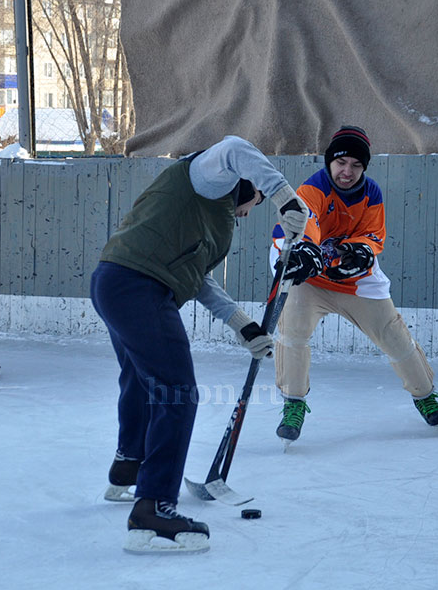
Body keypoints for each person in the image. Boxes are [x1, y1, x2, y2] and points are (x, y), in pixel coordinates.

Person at [90, 135, 308, 554]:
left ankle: (128, 467)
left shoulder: (207, 213)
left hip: (114, 282)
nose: (249, 211)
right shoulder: (210, 180)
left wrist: (242, 325)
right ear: (248, 184)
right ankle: (152, 511)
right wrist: (286, 197)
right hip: (140, 288)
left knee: (140, 378)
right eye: (257, 200)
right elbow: (233, 146)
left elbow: (197, 277)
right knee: (177, 392)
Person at [271, 125, 438, 444]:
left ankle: (425, 396)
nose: (347, 171)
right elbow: (299, 221)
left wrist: (359, 249)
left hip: (357, 283)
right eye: (341, 163)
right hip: (311, 281)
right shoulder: (312, 188)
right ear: (329, 162)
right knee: (291, 332)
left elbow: (372, 235)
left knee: (394, 336)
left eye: (356, 165)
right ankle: (293, 404)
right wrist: (304, 247)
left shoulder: (372, 193)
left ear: (364, 167)